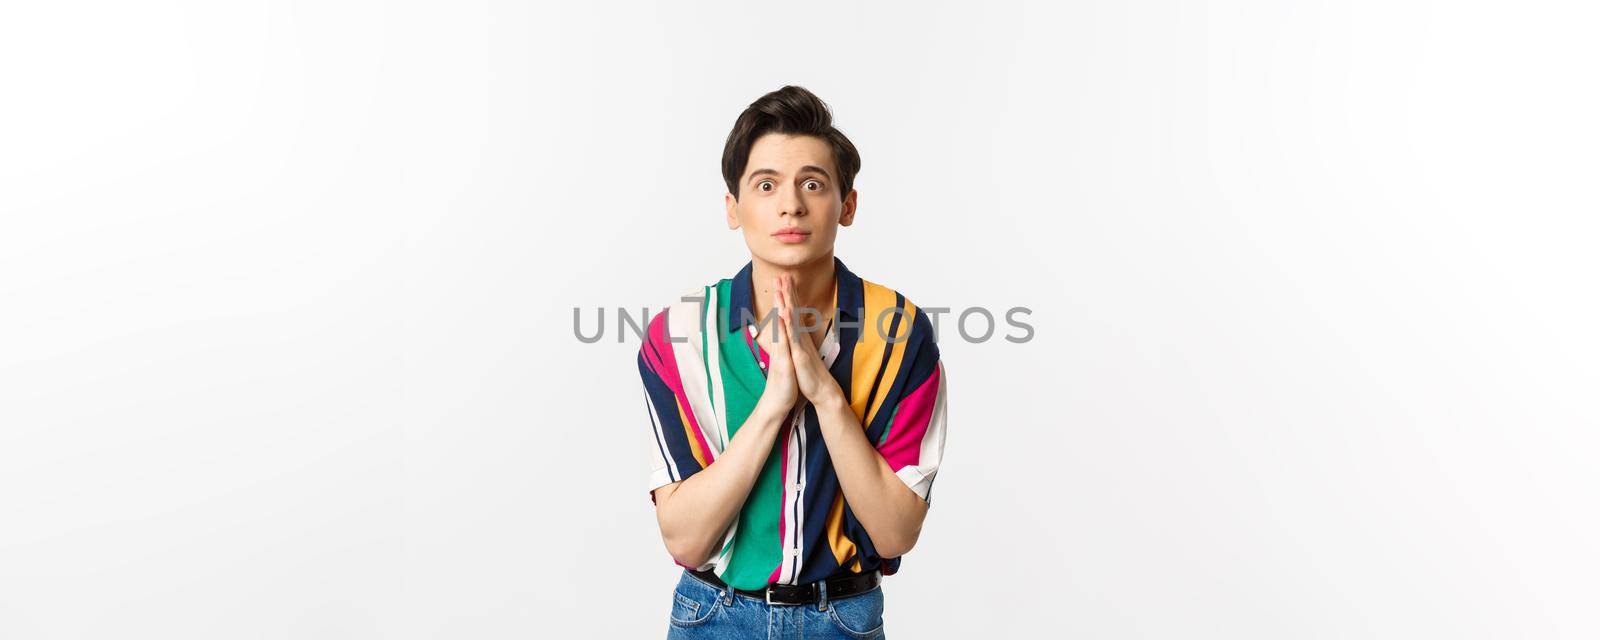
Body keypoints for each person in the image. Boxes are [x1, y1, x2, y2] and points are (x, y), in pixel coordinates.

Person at [636, 85, 950, 639]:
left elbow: (895, 532)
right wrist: (776, 401)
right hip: (713, 617)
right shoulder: (677, 337)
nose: (791, 205)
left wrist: (826, 394)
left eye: (813, 183)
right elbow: (685, 540)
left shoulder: (899, 333)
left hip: (843, 619)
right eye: (765, 185)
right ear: (733, 208)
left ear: (847, 205)